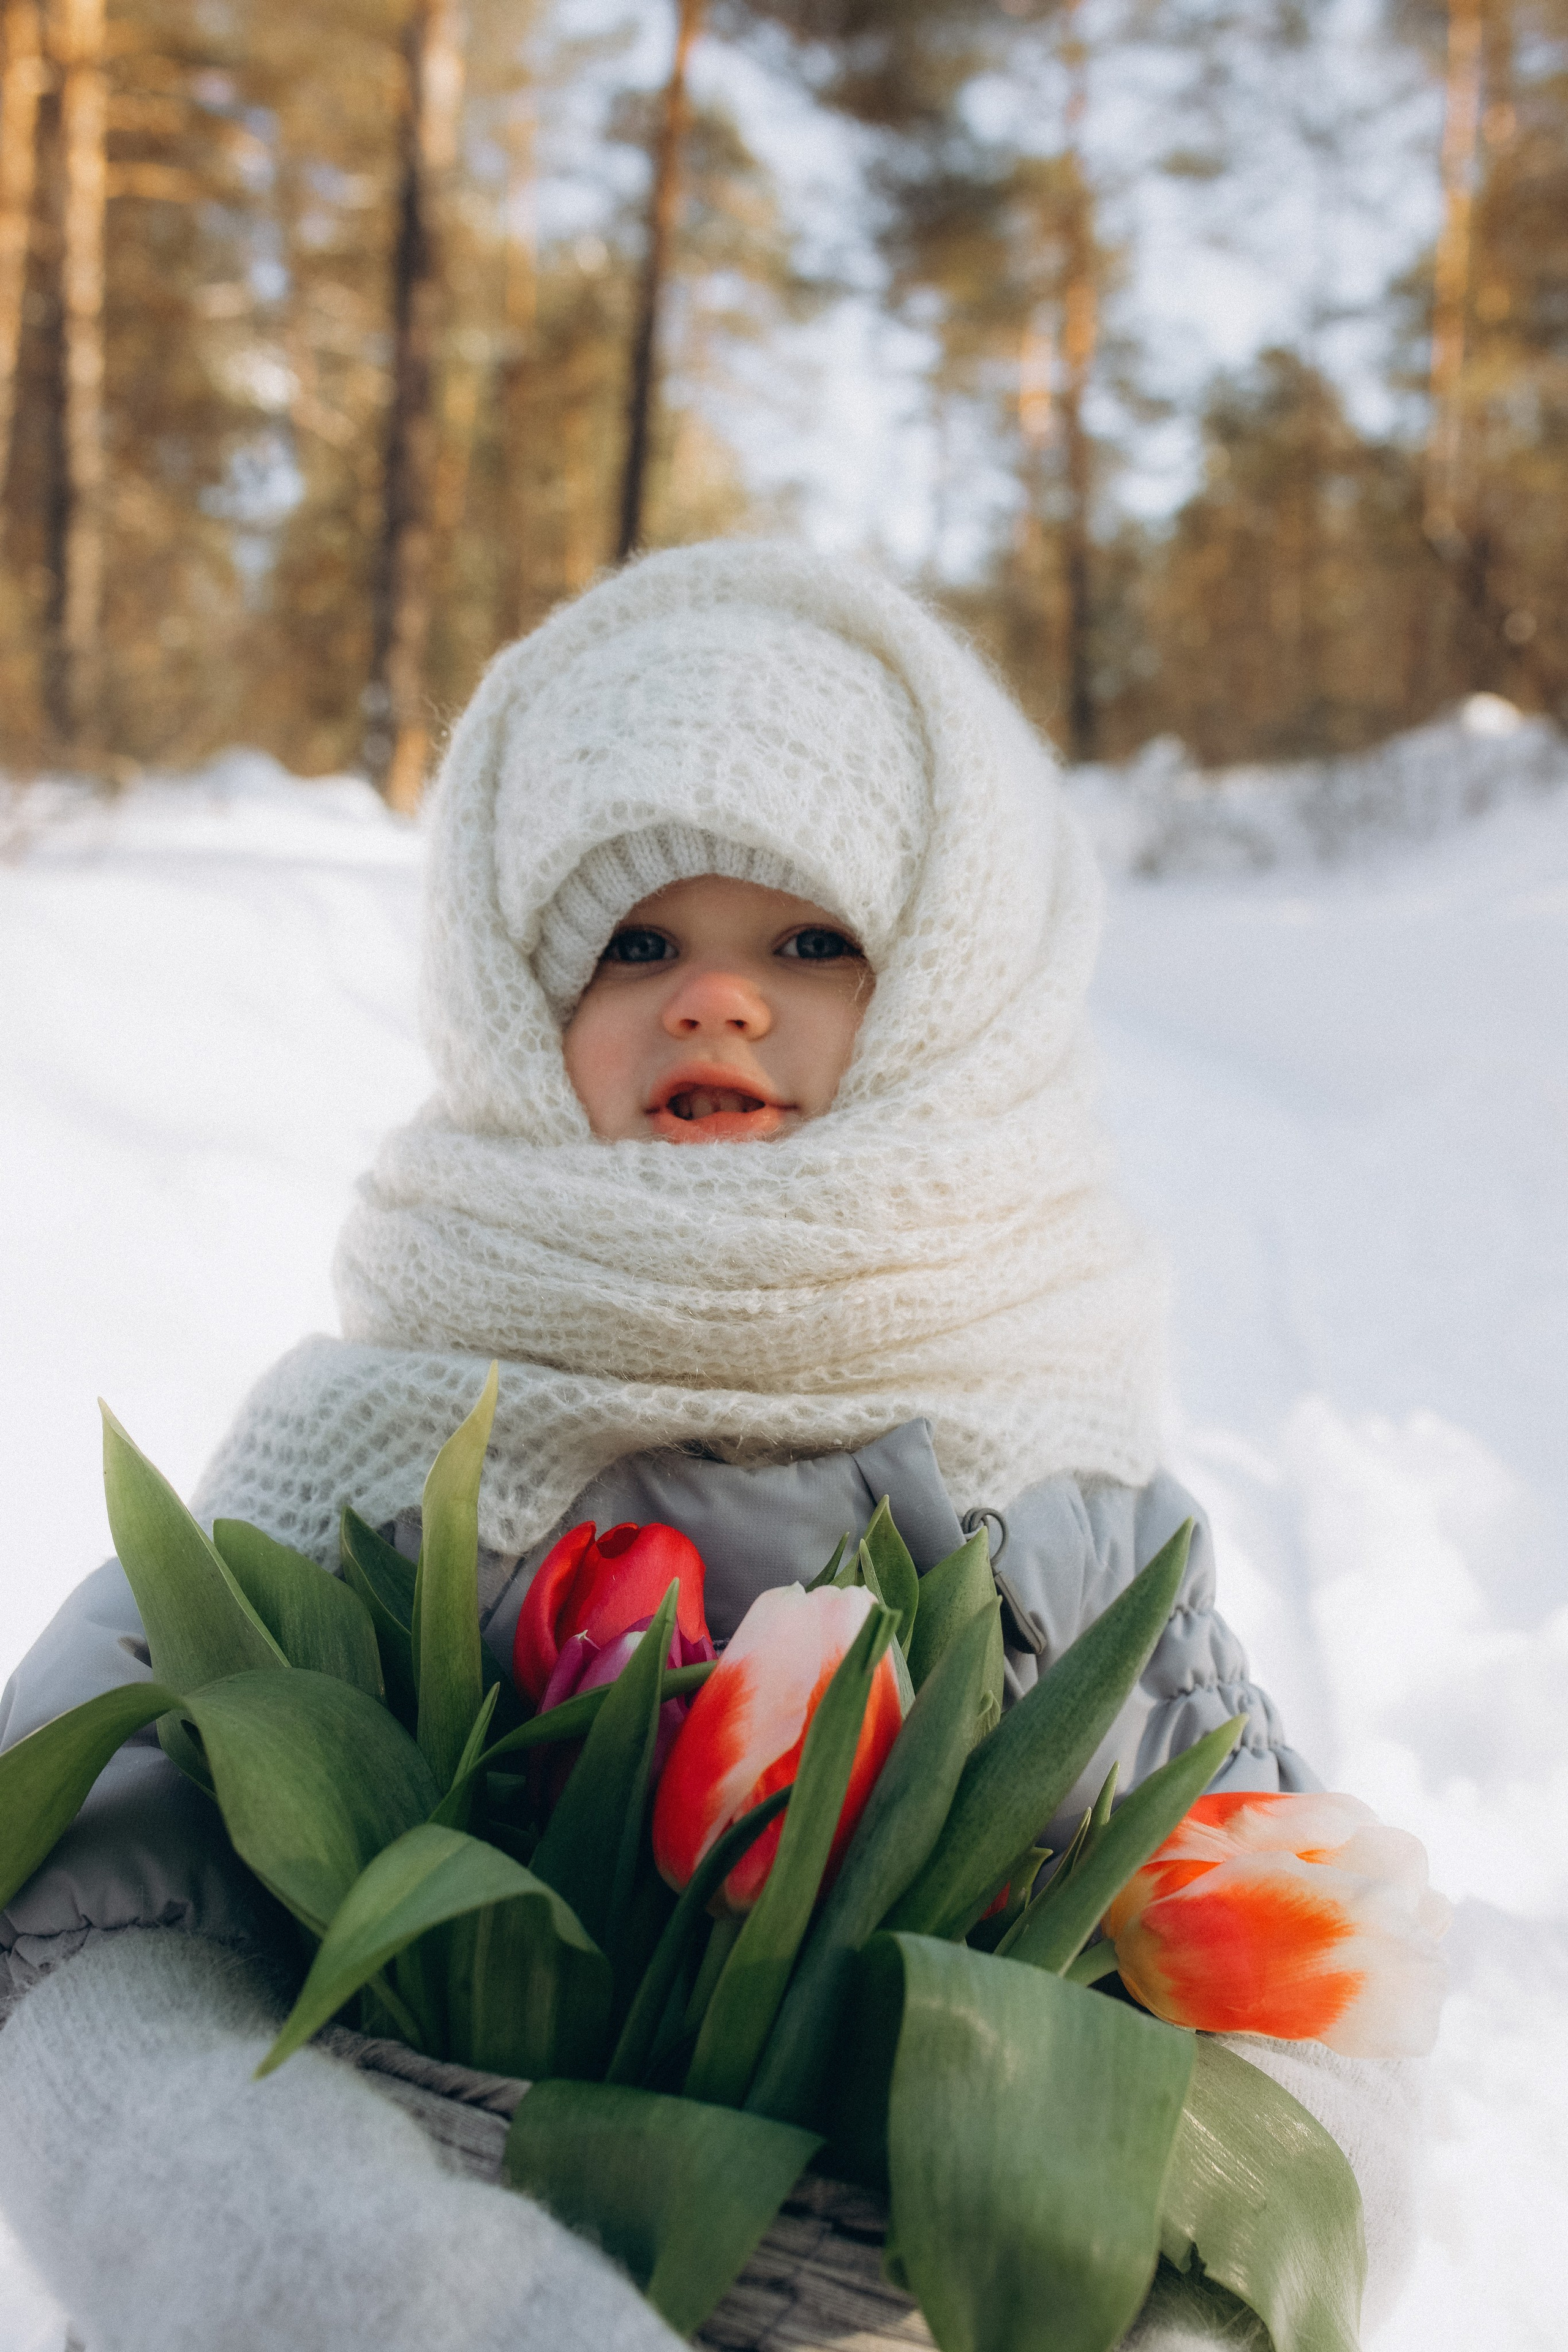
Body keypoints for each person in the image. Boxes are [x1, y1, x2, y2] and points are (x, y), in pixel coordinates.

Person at [0, 541, 1425, 2352]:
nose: (715, 998)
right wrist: (346, 2260)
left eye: (812, 941)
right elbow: (84, 1910)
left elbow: (1290, 1981)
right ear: (519, 1003)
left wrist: (1200, 2282)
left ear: (953, 999)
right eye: (636, 941)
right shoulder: (380, 1445)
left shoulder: (1061, 1494)